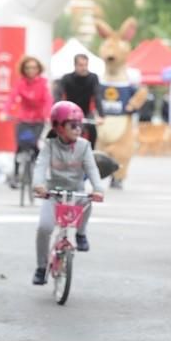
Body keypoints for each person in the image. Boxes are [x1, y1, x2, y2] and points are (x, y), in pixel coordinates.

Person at [31, 101, 104, 285]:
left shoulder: (85, 146)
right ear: (59, 127)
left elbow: (92, 169)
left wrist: (98, 189)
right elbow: (40, 166)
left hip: (76, 193)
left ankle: (80, 233)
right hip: (53, 193)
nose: (78, 129)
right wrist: (38, 185)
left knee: (88, 202)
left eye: (80, 125)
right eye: (73, 125)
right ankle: (41, 267)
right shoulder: (49, 146)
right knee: (44, 228)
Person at [5, 56, 52, 189]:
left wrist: (48, 115)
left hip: (38, 119)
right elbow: (12, 98)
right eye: (28, 68)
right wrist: (6, 111)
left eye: (34, 67)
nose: (31, 70)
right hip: (23, 119)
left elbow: (47, 100)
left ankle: (39, 175)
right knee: (20, 146)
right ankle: (15, 176)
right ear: (23, 69)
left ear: (38, 69)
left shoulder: (43, 83)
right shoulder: (20, 83)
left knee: (33, 144)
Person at [56, 54, 104, 148]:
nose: (84, 68)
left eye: (86, 65)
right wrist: (58, 111)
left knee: (92, 131)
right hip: (70, 113)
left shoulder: (93, 78)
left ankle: (91, 153)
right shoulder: (66, 78)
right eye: (81, 65)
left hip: (86, 113)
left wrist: (101, 115)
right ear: (75, 65)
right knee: (63, 133)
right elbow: (58, 95)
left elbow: (97, 95)